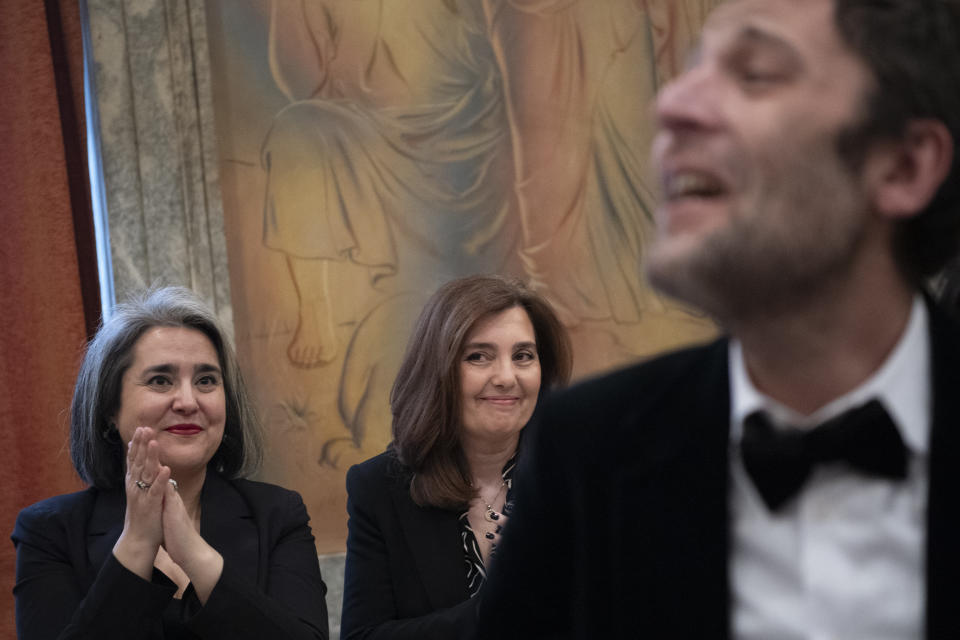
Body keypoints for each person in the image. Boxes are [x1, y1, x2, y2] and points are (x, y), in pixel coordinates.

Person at [478, 0, 960, 638]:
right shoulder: (585, 452)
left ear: (903, 165)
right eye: (692, 68)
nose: (669, 105)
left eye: (755, 73)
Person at [11, 287, 329, 639]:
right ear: (109, 409)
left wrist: (194, 554)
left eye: (206, 380)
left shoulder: (278, 514)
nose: (188, 401)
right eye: (160, 380)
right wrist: (137, 543)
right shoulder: (49, 531)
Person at [339, 275, 572, 639]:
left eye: (523, 356)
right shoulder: (380, 488)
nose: (507, 377)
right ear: (439, 370)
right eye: (479, 356)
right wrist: (499, 603)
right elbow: (364, 635)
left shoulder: (581, 478)